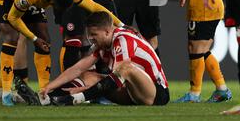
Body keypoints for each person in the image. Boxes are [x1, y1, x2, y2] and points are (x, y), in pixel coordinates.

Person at [40, 11, 169, 106]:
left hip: (156, 94)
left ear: (107, 32)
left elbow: (118, 79)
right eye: (89, 34)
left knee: (125, 68)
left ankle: (75, 99)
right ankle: (48, 98)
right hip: (132, 92)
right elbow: (78, 68)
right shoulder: (102, 44)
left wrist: (84, 91)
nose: (90, 38)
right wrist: (49, 87)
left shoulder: (123, 39)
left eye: (93, 34)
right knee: (88, 76)